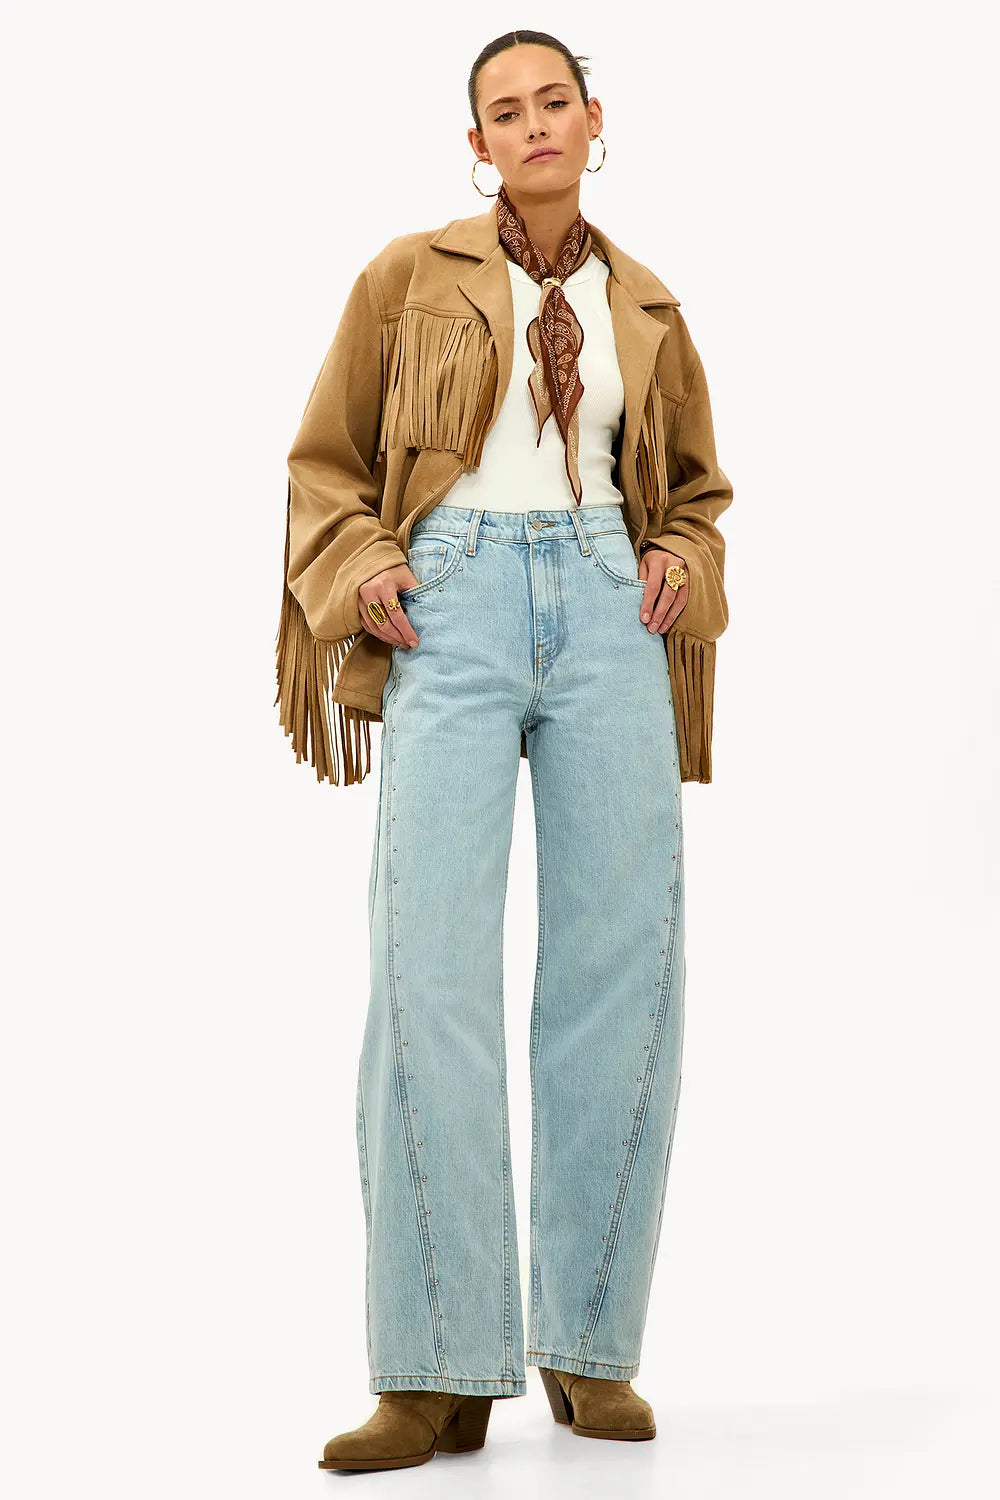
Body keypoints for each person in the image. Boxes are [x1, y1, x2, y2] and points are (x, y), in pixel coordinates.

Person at [276, 30, 734, 1473]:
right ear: (477, 145)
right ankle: (434, 1370)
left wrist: (678, 555)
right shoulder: (406, 277)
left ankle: (590, 1345)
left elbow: (697, 493)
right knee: (427, 973)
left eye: (554, 103)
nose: (533, 126)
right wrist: (367, 565)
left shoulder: (645, 303)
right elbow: (327, 460)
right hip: (452, 604)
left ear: (594, 121)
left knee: (621, 969)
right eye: (504, 112)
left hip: (607, 610)